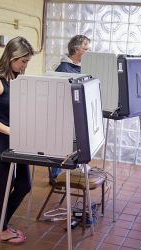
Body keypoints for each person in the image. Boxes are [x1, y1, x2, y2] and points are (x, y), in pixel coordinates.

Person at [0, 36, 35, 245]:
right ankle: (1, 229)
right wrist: (13, 131)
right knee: (5, 186)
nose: (25, 65)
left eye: (27, 61)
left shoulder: (16, 78)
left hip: (15, 142)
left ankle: (2, 223)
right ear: (11, 56)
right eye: (23, 61)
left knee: (24, 185)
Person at [49, 35, 91, 183]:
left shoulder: (84, 66)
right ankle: (56, 177)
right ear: (76, 49)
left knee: (76, 144)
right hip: (63, 114)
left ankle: (72, 171)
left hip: (77, 113)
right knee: (60, 145)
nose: (88, 51)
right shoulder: (64, 68)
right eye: (86, 48)